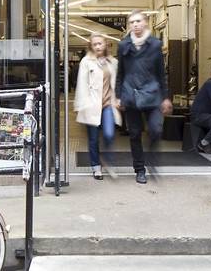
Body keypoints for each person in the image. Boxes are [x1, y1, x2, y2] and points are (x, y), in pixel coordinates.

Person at [115, 10, 172, 184]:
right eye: (132, 22)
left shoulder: (155, 45)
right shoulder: (124, 45)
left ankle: (152, 159)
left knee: (156, 130)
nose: (135, 25)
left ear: (146, 22)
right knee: (134, 134)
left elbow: (161, 74)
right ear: (129, 26)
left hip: (152, 94)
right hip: (131, 95)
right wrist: (118, 96)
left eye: (138, 21)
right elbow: (120, 74)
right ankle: (139, 169)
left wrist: (165, 97)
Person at [74, 33, 121, 180]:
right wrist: (82, 104)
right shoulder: (86, 62)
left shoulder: (113, 62)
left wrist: (119, 99)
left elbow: (117, 83)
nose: (98, 46)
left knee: (109, 134)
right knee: (93, 139)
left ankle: (107, 160)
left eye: (100, 43)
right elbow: (81, 84)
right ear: (91, 46)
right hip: (92, 105)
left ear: (106, 44)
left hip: (108, 104)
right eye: (95, 44)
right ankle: (96, 167)